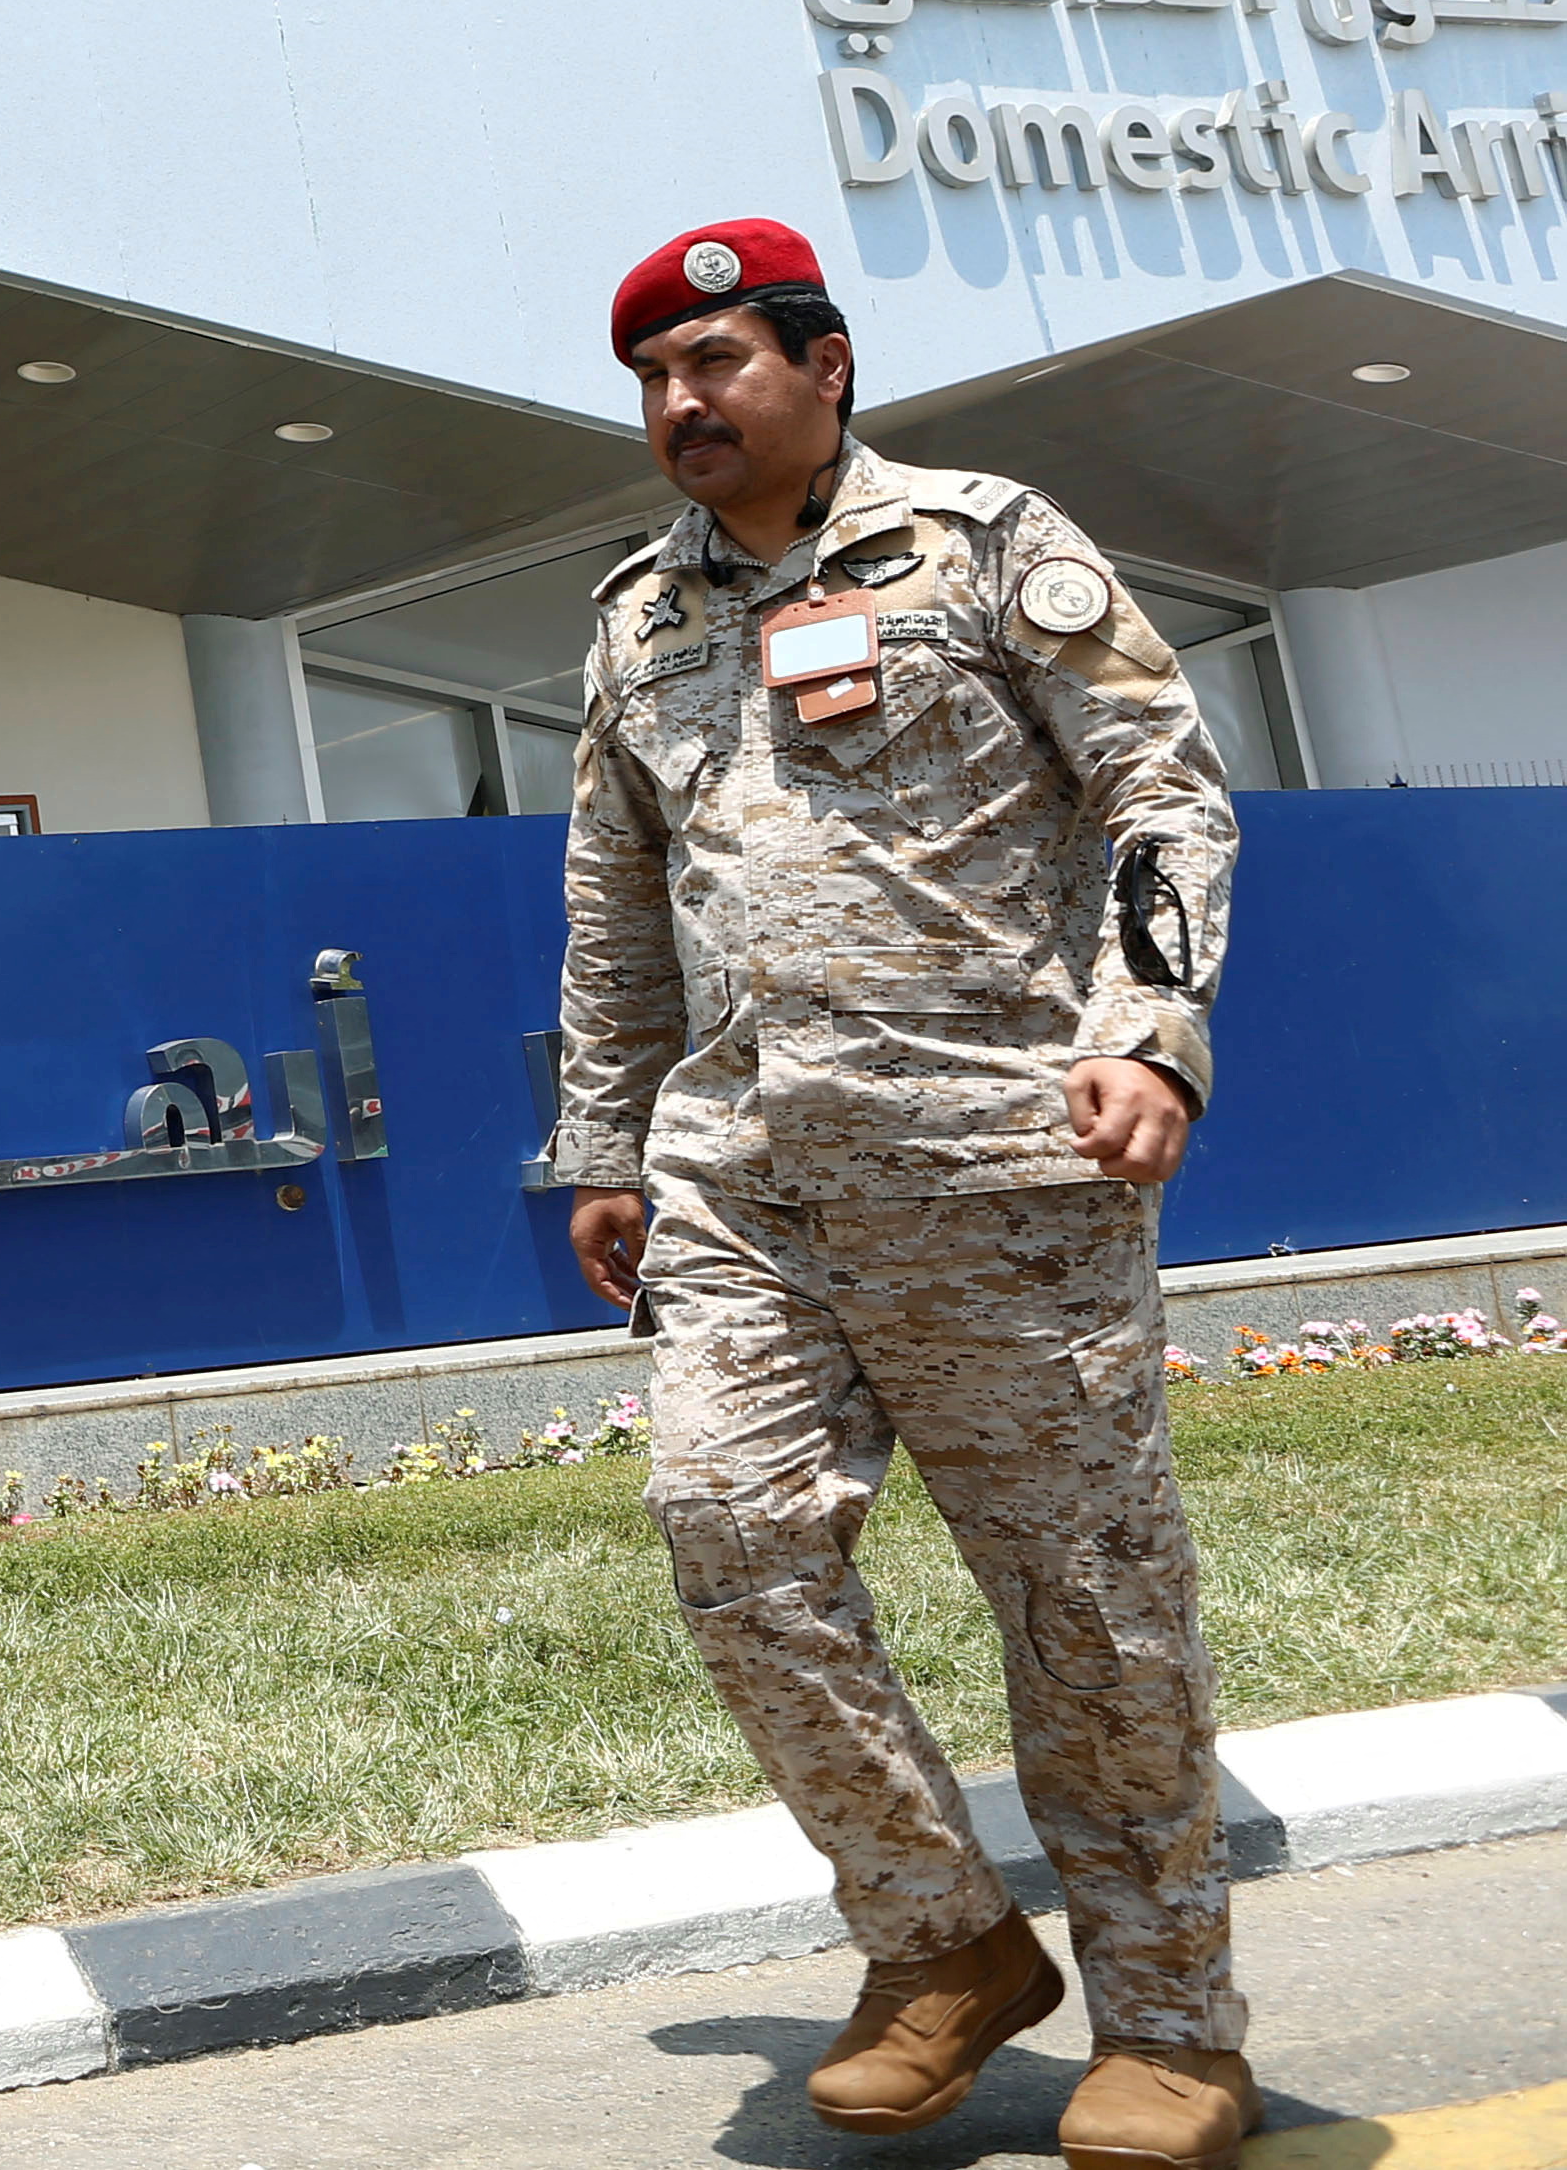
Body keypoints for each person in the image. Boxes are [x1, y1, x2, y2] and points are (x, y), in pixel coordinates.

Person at [557, 219, 1251, 2170]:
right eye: (658, 379)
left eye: (718, 364)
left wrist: (1151, 1022)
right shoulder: (634, 619)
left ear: (824, 370)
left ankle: (1177, 2034)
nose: (683, 405)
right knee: (726, 1531)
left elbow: (1164, 795)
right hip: (745, 1182)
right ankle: (941, 1939)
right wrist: (607, 1142)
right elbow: (614, 904)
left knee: (1088, 1609)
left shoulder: (982, 545)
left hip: (997, 1163)